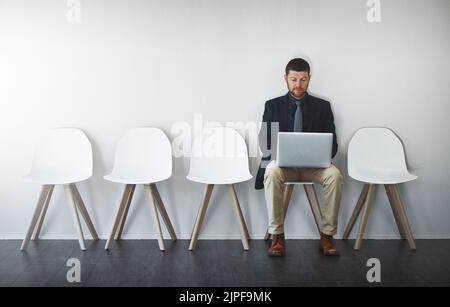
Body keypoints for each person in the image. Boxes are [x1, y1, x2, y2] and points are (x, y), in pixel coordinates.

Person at [255, 58, 343, 257]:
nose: (298, 85)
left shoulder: (323, 106)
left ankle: (327, 236)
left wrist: (320, 153)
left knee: (335, 175)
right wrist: (279, 152)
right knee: (271, 171)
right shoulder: (272, 106)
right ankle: (277, 236)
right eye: (293, 79)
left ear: (309, 78)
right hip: (283, 166)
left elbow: (334, 145)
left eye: (303, 79)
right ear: (285, 78)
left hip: (315, 167)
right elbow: (264, 143)